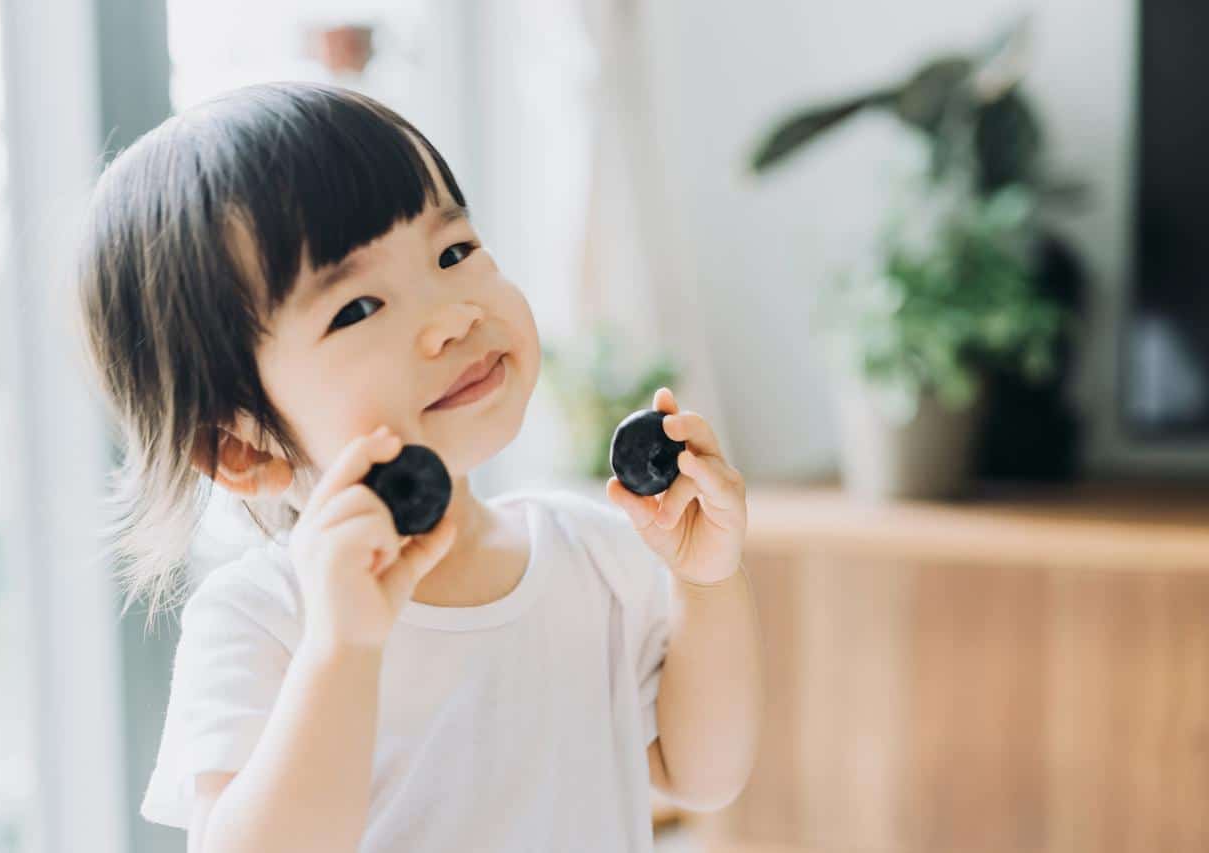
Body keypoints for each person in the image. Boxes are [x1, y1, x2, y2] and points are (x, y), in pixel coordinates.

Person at [74, 80, 764, 853]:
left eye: (454, 251)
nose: (454, 314)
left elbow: (700, 774)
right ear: (242, 446)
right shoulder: (266, 619)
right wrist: (343, 650)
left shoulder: (591, 553)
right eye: (359, 307)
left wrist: (704, 581)